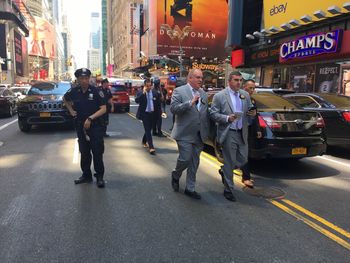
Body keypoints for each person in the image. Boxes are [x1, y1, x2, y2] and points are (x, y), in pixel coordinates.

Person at [210, 71, 256, 201]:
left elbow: (249, 112)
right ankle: (228, 190)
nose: (239, 83)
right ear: (229, 81)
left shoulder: (245, 95)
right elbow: (213, 114)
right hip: (229, 133)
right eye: (236, 80)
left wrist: (252, 115)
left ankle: (225, 171)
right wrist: (227, 118)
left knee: (242, 160)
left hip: (242, 132)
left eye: (240, 80)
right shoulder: (219, 96)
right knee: (230, 162)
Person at [63, 68, 107, 188]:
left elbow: (103, 108)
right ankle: (86, 176)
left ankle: (99, 177)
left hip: (95, 126)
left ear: (89, 78)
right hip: (80, 127)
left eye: (86, 78)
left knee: (97, 152)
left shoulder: (96, 91)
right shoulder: (74, 91)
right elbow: (65, 99)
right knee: (84, 152)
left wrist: (90, 118)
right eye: (81, 78)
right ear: (77, 79)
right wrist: (71, 110)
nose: (84, 81)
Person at [170, 69, 209, 200]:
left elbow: (204, 113)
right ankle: (176, 175)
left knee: (194, 162)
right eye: (197, 77)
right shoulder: (179, 91)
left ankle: (190, 188)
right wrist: (189, 103)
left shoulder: (203, 93)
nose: (200, 80)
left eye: (201, 78)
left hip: (199, 134)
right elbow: (173, 109)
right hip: (184, 133)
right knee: (185, 159)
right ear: (190, 78)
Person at [135, 78, 161, 155]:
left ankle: (144, 140)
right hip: (145, 114)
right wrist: (143, 93)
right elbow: (137, 101)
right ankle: (151, 147)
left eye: (150, 86)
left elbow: (158, 103)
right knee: (147, 129)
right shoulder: (140, 92)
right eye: (147, 86)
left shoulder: (155, 93)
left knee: (149, 129)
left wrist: (161, 112)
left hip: (153, 114)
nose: (149, 87)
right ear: (145, 86)